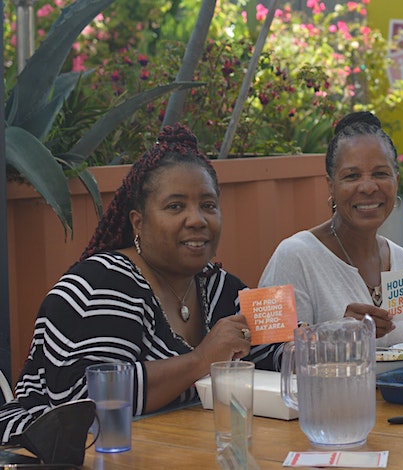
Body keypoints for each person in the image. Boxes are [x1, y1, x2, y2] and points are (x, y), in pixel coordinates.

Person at [0, 124, 280, 444]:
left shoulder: (217, 287)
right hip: (47, 455)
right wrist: (201, 360)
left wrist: (314, 343)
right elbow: (85, 402)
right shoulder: (104, 285)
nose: (197, 219)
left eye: (208, 205)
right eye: (176, 206)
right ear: (138, 222)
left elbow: (268, 355)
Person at [259, 111, 403, 347]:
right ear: (331, 186)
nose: (368, 187)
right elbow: (266, 351)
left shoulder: (402, 260)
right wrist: (335, 333)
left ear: (395, 182)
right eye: (352, 176)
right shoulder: (294, 256)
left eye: (380, 173)